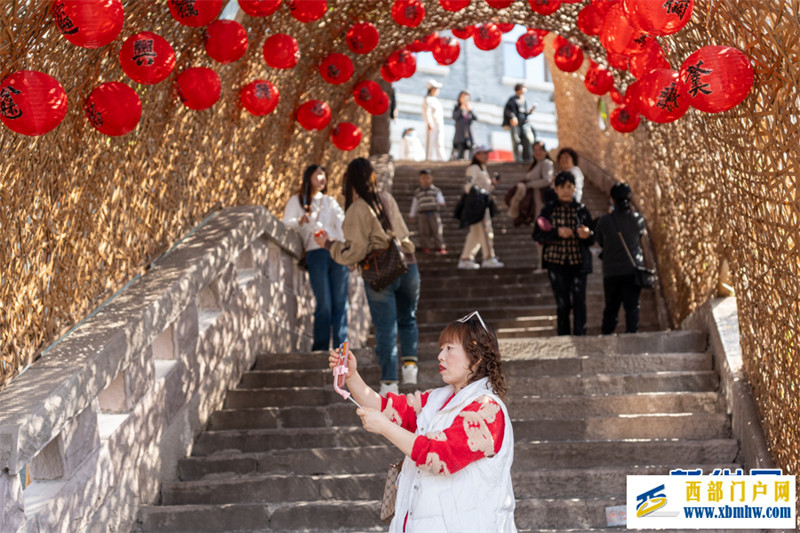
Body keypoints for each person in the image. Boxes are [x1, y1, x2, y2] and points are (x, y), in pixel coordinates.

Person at [328, 311, 517, 532]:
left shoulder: (488, 410)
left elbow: (439, 456)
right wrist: (351, 377)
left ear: (475, 357)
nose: (440, 355)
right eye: (441, 348)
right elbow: (386, 408)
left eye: (449, 348)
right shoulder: (436, 399)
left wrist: (385, 428)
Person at [314, 158, 419, 394]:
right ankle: (411, 368)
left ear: (350, 180)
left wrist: (328, 244)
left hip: (382, 272)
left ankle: (390, 382)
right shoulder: (386, 198)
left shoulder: (356, 209)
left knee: (385, 327)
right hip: (408, 265)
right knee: (408, 318)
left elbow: (355, 251)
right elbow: (399, 232)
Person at [282, 165, 349, 351]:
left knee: (341, 303)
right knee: (324, 304)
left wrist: (348, 253)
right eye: (318, 174)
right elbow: (285, 223)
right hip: (315, 253)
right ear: (308, 176)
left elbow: (342, 225)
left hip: (336, 252)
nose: (322, 178)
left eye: (324, 175)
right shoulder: (297, 201)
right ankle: (320, 348)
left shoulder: (330, 201)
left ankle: (341, 349)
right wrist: (300, 221)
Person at [533, 171, 595, 336]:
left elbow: (593, 237)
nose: (566, 190)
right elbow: (537, 235)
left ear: (574, 188)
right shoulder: (548, 210)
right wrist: (556, 232)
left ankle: (581, 335)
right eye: (562, 187)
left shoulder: (581, 210)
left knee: (579, 301)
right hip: (556, 263)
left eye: (569, 186)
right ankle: (563, 337)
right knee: (562, 303)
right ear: (556, 188)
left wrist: (587, 234)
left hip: (579, 262)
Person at [595, 183, 648, 334]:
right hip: (632, 269)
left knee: (611, 307)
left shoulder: (604, 220)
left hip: (611, 270)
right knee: (632, 307)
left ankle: (606, 337)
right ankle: (632, 337)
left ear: (612, 199)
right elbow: (639, 237)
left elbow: (600, 241)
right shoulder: (637, 219)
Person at [458, 146, 504, 270]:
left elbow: (483, 186)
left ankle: (466, 258)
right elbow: (469, 186)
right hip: (479, 206)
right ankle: (488, 257)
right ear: (476, 155)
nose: (486, 156)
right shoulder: (474, 168)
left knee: (475, 234)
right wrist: (479, 196)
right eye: (483, 154)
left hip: (481, 204)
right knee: (485, 231)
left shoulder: (482, 169)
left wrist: (492, 183)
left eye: (487, 154)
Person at [506, 141, 555, 227]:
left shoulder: (546, 163)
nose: (537, 152)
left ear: (545, 151)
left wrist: (528, 185)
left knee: (542, 223)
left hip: (541, 199)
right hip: (534, 200)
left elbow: (547, 180)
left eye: (540, 150)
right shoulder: (536, 164)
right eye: (535, 150)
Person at [409, 169, 446, 254]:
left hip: (434, 212)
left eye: (427, 178)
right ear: (420, 179)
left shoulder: (436, 190)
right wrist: (412, 215)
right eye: (423, 178)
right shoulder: (417, 192)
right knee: (424, 231)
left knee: (437, 230)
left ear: (431, 179)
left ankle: (440, 246)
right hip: (422, 213)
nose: (426, 180)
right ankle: (426, 247)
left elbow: (440, 199)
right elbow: (414, 204)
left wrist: (441, 202)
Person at [502, 83, 537, 162]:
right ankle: (517, 159)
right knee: (516, 141)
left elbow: (524, 112)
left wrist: (530, 111)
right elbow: (508, 110)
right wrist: (512, 117)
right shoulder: (512, 99)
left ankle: (527, 158)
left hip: (524, 123)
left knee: (527, 139)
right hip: (516, 124)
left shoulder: (523, 100)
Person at [422, 79, 446, 161]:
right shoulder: (427, 100)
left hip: (439, 124)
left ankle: (441, 158)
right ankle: (429, 159)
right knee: (431, 143)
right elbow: (427, 112)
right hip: (432, 124)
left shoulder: (436, 100)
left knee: (439, 142)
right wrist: (429, 123)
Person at [452, 90, 477, 160]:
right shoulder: (457, 107)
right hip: (460, 136)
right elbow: (455, 117)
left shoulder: (470, 108)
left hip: (469, 135)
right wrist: (461, 109)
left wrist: (470, 110)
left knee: (471, 155)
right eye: (463, 97)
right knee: (460, 156)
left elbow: (476, 118)